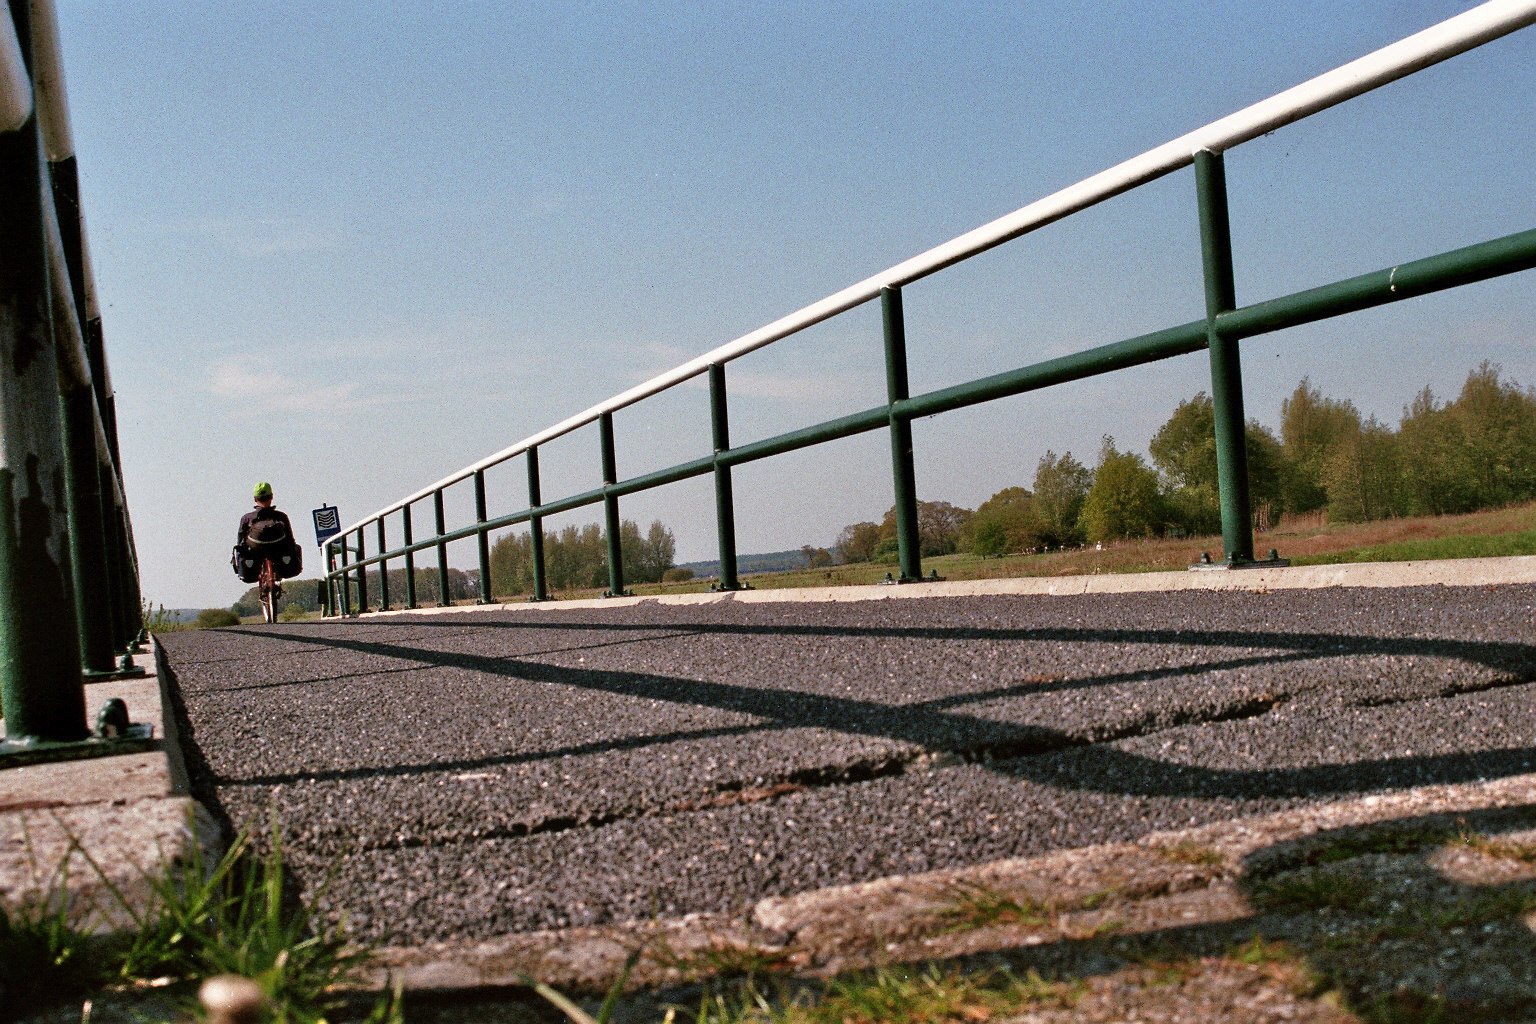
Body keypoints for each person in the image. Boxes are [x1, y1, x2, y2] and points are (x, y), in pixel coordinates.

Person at [233, 482, 301, 582]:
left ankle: (245, 573)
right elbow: (290, 538)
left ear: (255, 499)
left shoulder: (247, 518)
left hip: (256, 552)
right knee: (296, 547)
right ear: (271, 496)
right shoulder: (281, 516)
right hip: (278, 550)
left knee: (240, 550)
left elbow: (240, 540)